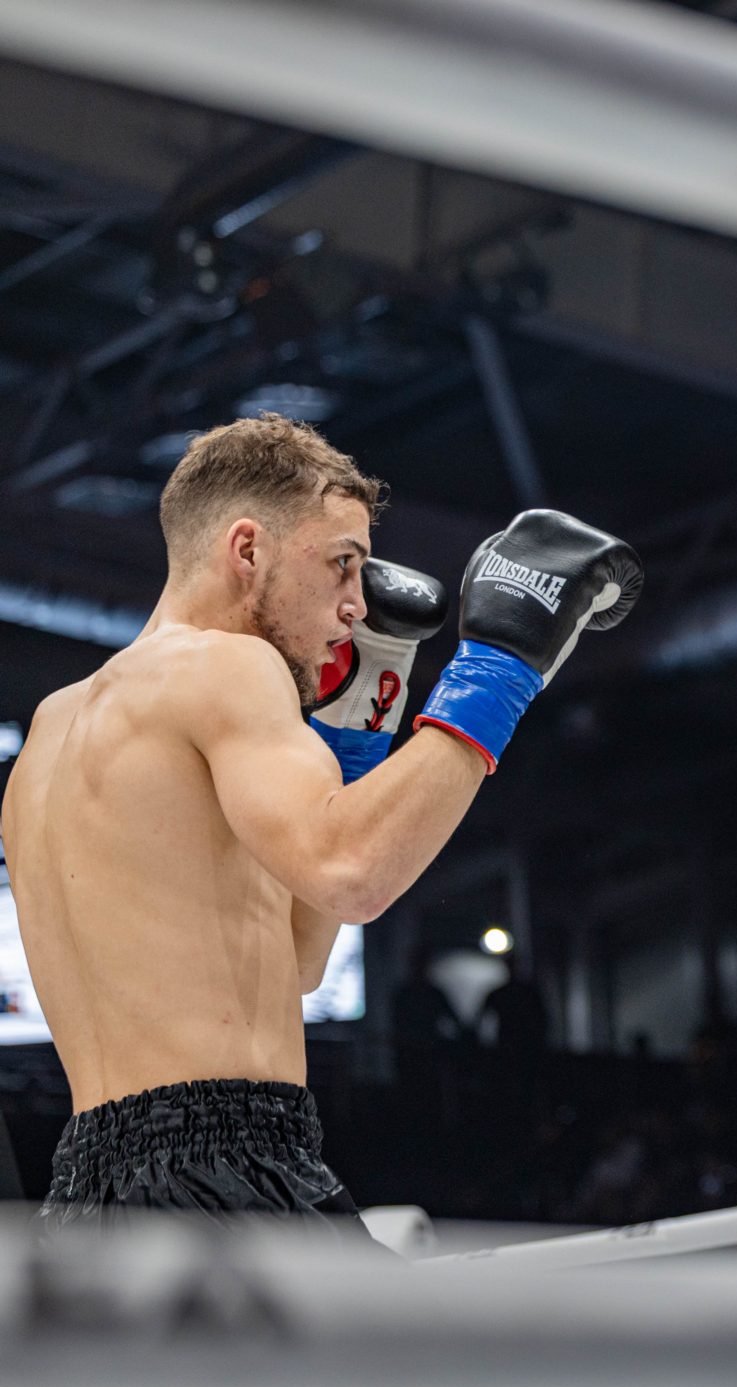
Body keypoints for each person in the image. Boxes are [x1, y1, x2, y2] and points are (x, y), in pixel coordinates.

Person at [0, 415, 639, 1237]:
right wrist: (499, 668)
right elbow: (353, 873)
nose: (355, 605)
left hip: (83, 1193)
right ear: (247, 550)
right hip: (227, 1170)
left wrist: (354, 745)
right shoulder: (227, 664)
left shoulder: (51, 731)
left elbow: (299, 958)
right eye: (342, 563)